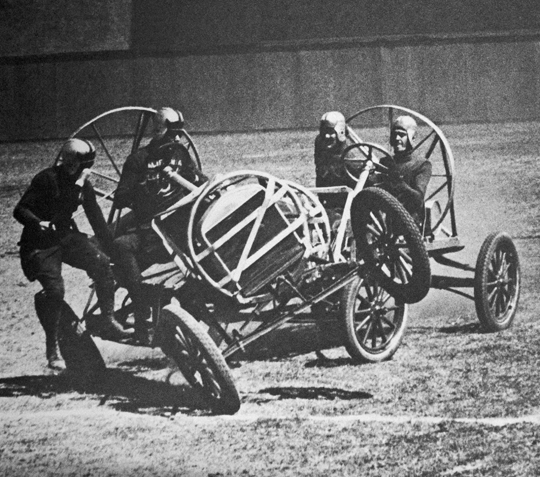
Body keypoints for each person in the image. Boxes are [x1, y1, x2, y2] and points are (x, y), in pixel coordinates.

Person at [13, 139, 132, 370]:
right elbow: (20, 209)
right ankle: (52, 349)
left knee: (102, 264)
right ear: (71, 161)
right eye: (80, 164)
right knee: (55, 291)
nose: (81, 169)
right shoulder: (47, 179)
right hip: (40, 243)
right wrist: (38, 223)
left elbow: (95, 218)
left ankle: (108, 319)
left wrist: (110, 247)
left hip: (65, 237)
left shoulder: (82, 185)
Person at [111, 107, 208, 344]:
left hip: (180, 226)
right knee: (121, 246)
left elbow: (198, 180)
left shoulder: (181, 155)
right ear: (159, 130)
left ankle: (195, 313)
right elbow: (121, 197)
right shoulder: (138, 160)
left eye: (178, 133)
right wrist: (143, 186)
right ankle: (142, 305)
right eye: (172, 132)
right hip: (152, 228)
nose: (177, 138)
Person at [379, 115, 432, 227]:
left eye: (402, 135)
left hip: (411, 220)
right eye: (395, 135)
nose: (397, 138)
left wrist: (400, 184)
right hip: (384, 219)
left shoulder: (421, 165)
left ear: (411, 137)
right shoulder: (384, 162)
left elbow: (418, 199)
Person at [313, 111, 354, 210]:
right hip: (327, 201)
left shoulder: (348, 157)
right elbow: (320, 178)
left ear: (340, 132)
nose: (327, 136)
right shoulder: (321, 148)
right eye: (324, 132)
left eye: (331, 132)